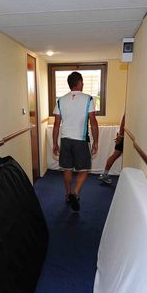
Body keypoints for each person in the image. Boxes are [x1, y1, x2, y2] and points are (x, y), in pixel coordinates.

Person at [52, 71, 99, 212]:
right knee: (84, 170)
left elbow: (56, 124)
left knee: (67, 169)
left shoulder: (61, 100)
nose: (83, 84)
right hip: (81, 140)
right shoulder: (88, 99)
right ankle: (75, 193)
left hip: (65, 140)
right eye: (82, 82)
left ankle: (67, 195)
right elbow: (93, 122)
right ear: (79, 82)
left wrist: (54, 143)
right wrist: (96, 142)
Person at [98, 114, 125, 184]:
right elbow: (124, 119)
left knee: (115, 156)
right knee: (114, 155)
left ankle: (105, 174)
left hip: (122, 135)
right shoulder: (128, 110)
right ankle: (105, 174)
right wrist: (120, 135)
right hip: (122, 136)